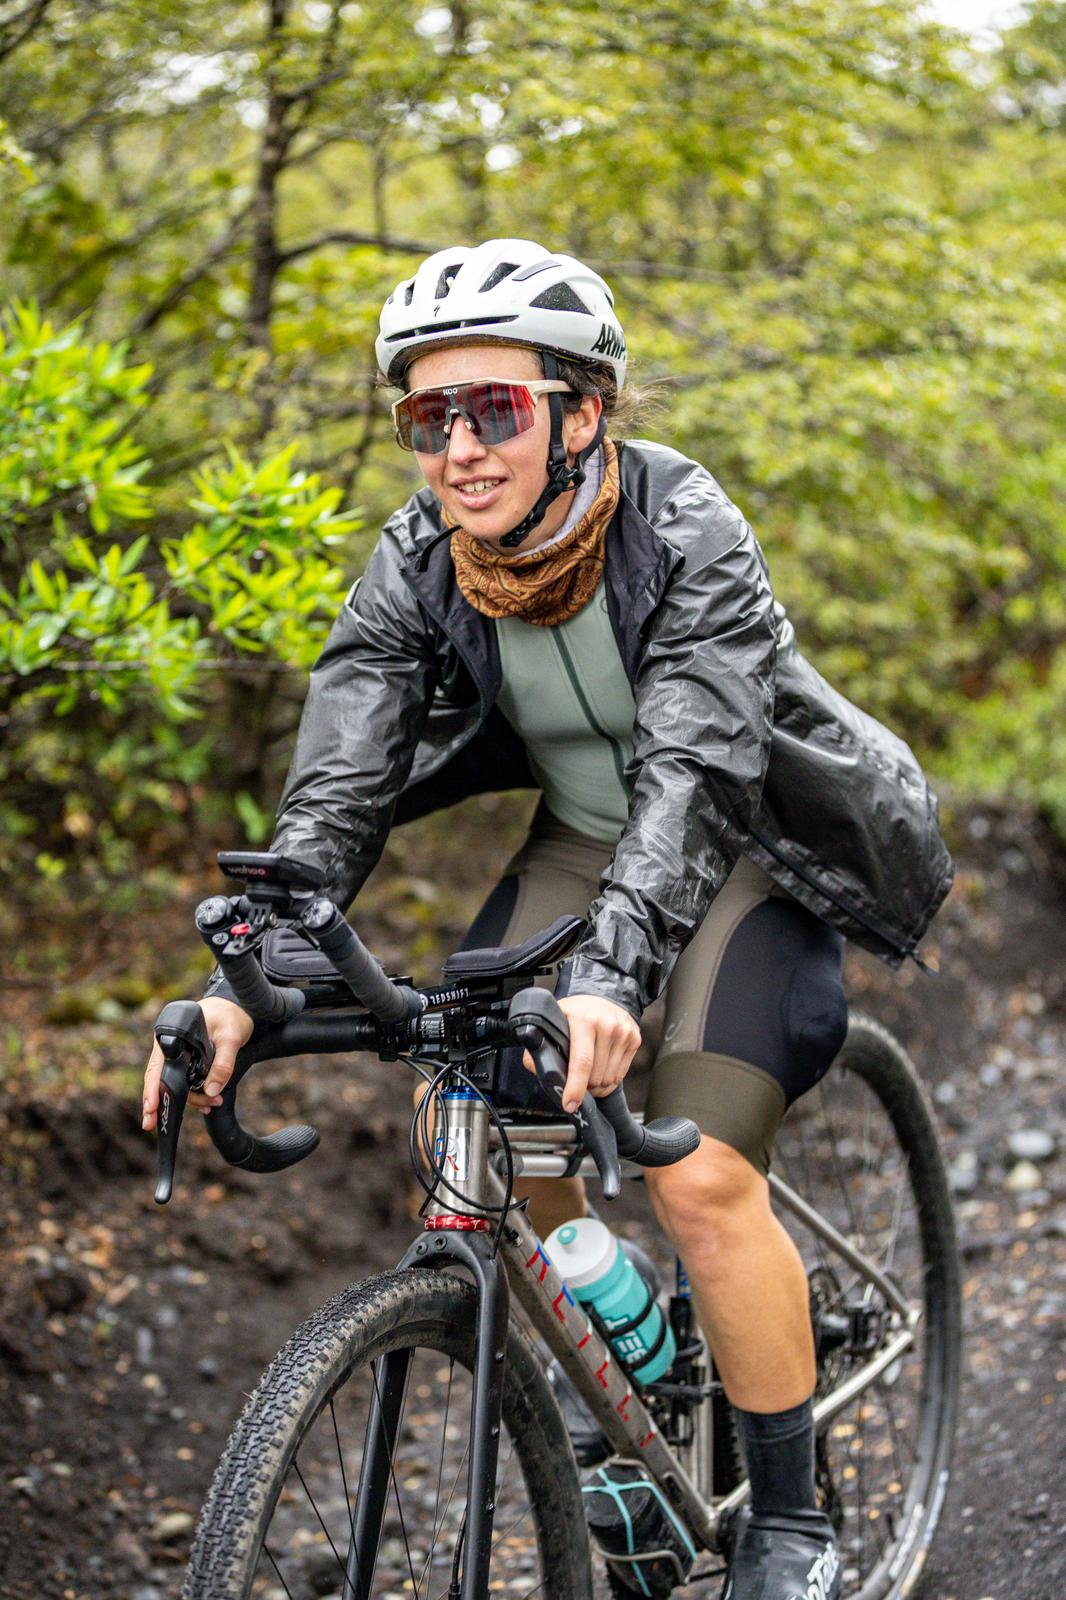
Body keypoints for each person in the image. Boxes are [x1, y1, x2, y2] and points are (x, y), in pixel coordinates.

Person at [142, 239, 953, 1600]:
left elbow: (692, 774)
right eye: (426, 417)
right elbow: (332, 799)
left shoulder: (687, 528)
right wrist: (239, 987)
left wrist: (614, 982)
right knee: (469, 1114)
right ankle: (606, 1343)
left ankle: (792, 1523)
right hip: (585, 842)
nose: (457, 447)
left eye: (494, 409)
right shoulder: (419, 560)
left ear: (583, 409)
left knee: (695, 1178)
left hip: (743, 844)